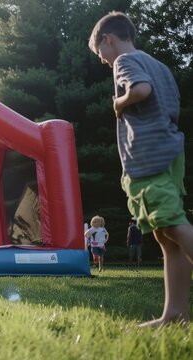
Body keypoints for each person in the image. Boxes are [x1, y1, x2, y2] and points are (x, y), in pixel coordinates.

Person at [89, 11, 193, 327]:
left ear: (107, 39)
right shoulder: (159, 65)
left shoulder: (124, 62)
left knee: (172, 225)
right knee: (165, 234)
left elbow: (141, 90)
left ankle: (175, 313)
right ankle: (175, 314)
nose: (104, 62)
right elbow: (168, 104)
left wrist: (119, 104)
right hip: (170, 152)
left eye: (100, 54)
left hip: (149, 157)